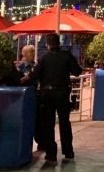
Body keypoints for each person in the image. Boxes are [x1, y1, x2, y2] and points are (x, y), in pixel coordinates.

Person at [23, 33, 82, 163]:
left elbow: (34, 75)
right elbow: (77, 71)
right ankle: (68, 151)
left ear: (47, 44)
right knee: (64, 122)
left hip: (47, 94)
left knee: (48, 124)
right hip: (62, 93)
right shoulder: (67, 56)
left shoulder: (44, 57)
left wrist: (24, 79)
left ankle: (51, 154)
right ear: (59, 43)